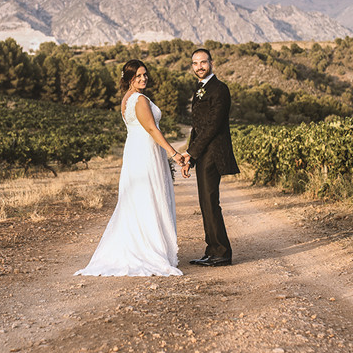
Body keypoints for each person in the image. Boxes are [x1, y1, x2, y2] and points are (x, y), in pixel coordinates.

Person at [76, 60, 186, 276]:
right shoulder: (139, 99)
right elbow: (152, 129)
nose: (143, 79)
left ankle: (144, 243)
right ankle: (148, 249)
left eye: (144, 74)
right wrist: (174, 153)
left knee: (139, 199)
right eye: (137, 76)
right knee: (148, 197)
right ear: (128, 79)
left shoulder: (127, 99)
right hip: (145, 153)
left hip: (136, 152)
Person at [177, 48, 239, 266]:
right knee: (205, 202)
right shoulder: (200, 89)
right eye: (195, 63)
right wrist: (191, 157)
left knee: (211, 202)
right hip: (203, 153)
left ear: (211, 63)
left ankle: (222, 253)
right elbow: (197, 128)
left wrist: (191, 152)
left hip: (214, 152)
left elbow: (212, 126)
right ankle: (212, 249)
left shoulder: (220, 89)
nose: (199, 67)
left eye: (203, 62)